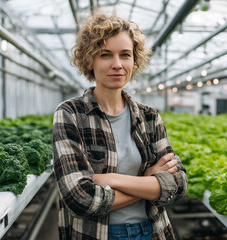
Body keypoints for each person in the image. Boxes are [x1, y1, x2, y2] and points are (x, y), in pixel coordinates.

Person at [52, 10, 187, 240]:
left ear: (134, 60)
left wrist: (111, 179)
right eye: (106, 55)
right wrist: (149, 183)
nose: (117, 64)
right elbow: (80, 198)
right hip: (96, 235)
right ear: (89, 60)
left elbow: (178, 183)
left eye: (125, 55)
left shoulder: (149, 117)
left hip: (152, 231)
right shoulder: (70, 114)